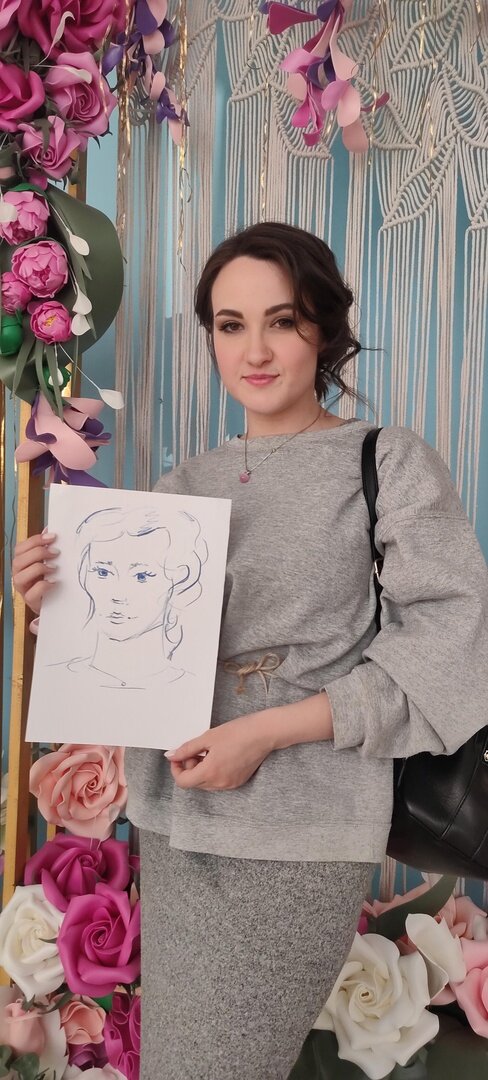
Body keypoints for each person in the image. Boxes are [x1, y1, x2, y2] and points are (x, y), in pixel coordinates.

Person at [12, 222, 488, 1080]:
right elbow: (145, 658)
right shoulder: (183, 485)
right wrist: (61, 604)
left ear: (325, 328)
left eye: (283, 321)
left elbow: (451, 640)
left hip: (300, 832)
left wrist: (267, 732)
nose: (255, 351)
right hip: (176, 822)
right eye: (231, 325)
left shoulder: (386, 462)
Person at [51, 505, 207, 690]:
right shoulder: (56, 678)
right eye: (102, 572)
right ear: (84, 574)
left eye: (141, 576)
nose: (118, 595)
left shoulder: (192, 688)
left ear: (180, 577)